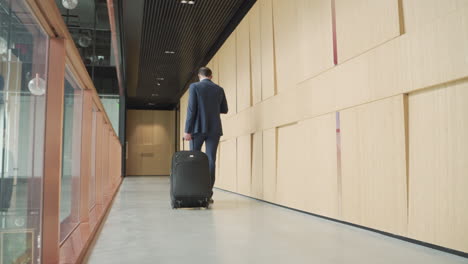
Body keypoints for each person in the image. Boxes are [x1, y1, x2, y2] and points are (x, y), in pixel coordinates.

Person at [184, 67, 228, 203]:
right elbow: (224, 109)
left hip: (197, 129)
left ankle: (194, 191)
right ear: (211, 76)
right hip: (214, 129)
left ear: (199, 76)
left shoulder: (194, 87)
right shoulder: (219, 89)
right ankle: (207, 194)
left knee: (194, 160)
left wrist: (187, 130)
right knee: (211, 160)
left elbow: (192, 109)